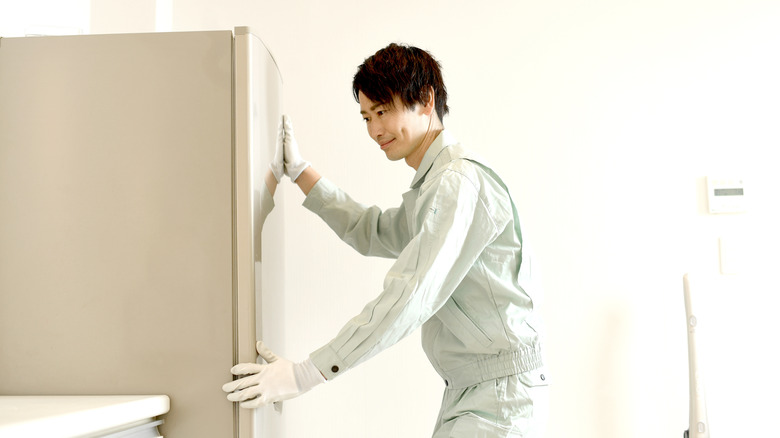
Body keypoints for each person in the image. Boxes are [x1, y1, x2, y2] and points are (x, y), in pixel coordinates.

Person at [223, 43, 549, 437]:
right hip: (476, 394)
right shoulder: (438, 184)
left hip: (498, 399)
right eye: (365, 116)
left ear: (425, 100)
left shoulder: (457, 184)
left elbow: (410, 294)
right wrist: (300, 171)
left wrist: (304, 374)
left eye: (383, 111)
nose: (374, 129)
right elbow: (374, 231)